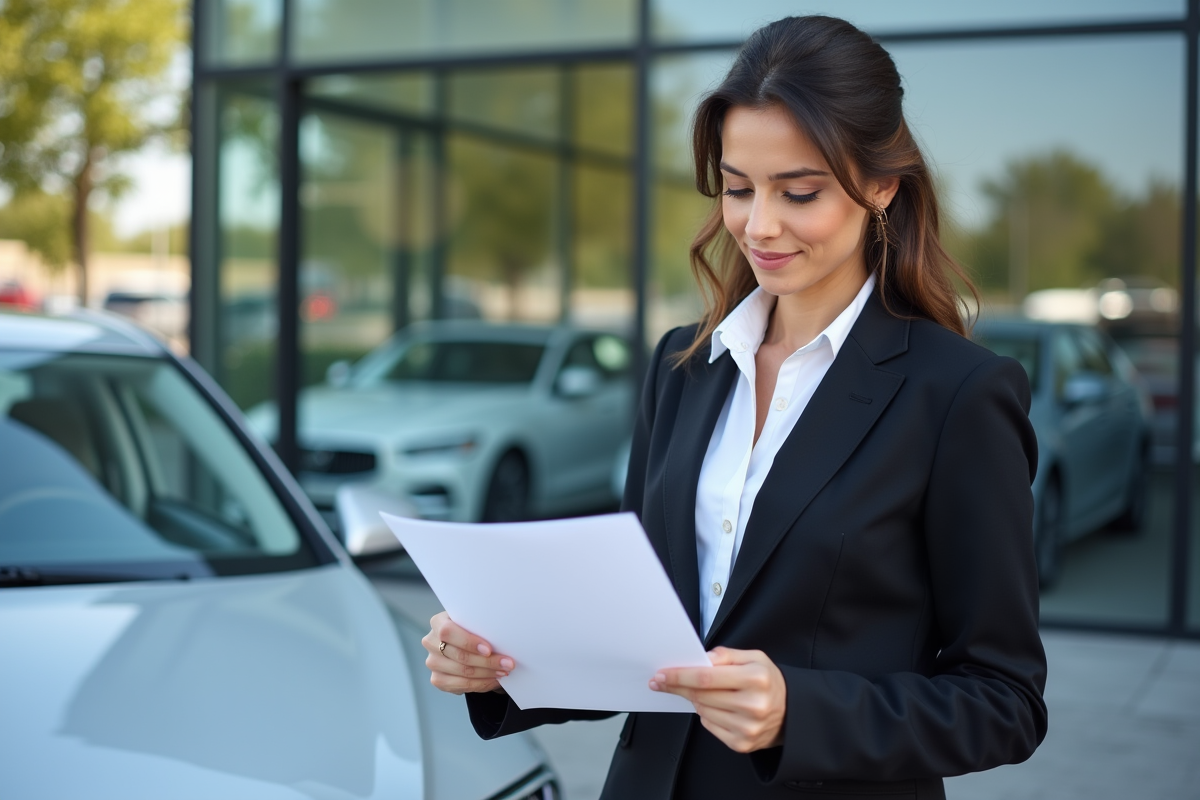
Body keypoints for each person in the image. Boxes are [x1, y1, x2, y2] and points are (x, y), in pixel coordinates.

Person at [422, 15, 1047, 800]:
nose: (759, 225)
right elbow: (636, 636)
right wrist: (500, 663)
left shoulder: (957, 394)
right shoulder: (683, 367)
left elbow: (1004, 702)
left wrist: (798, 712)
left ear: (882, 186)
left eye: (800, 191)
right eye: (739, 188)